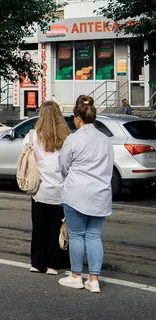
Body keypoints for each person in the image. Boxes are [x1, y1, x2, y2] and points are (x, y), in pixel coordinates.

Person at [58, 95, 113, 293]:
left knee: (77, 235)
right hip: (101, 193)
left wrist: (69, 177)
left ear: (78, 118)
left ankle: (75, 276)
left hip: (77, 193)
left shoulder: (73, 139)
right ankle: (94, 279)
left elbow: (63, 165)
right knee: (94, 235)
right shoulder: (106, 140)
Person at [26, 101, 70, 275]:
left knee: (39, 228)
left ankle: (37, 262)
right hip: (61, 190)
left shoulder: (32, 136)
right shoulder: (67, 137)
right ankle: (54, 263)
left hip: (40, 190)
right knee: (57, 227)